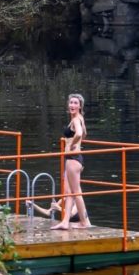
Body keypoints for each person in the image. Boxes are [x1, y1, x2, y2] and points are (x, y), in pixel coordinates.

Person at [53, 93, 93, 230]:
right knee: (70, 192)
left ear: (80, 106)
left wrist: (72, 144)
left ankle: (84, 222)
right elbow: (85, 133)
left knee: (76, 192)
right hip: (75, 158)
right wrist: (77, 143)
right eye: (71, 103)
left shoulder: (76, 119)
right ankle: (65, 221)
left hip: (73, 158)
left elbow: (80, 134)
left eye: (76, 103)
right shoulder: (79, 119)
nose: (72, 105)